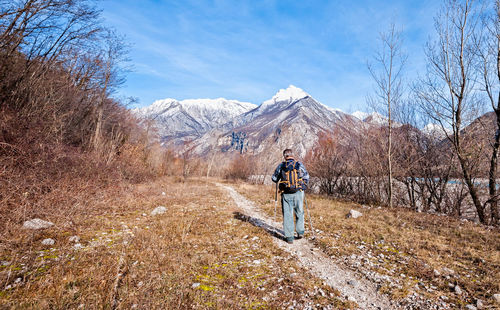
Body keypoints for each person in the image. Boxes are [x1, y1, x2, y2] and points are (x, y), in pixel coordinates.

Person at [272, 148, 310, 244]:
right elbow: (306, 177)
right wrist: (302, 186)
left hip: (286, 193)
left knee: (288, 214)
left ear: (284, 156)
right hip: (298, 192)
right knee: (299, 211)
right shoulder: (299, 165)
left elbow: (274, 178)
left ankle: (289, 237)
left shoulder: (281, 166)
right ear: (293, 155)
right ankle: (300, 232)